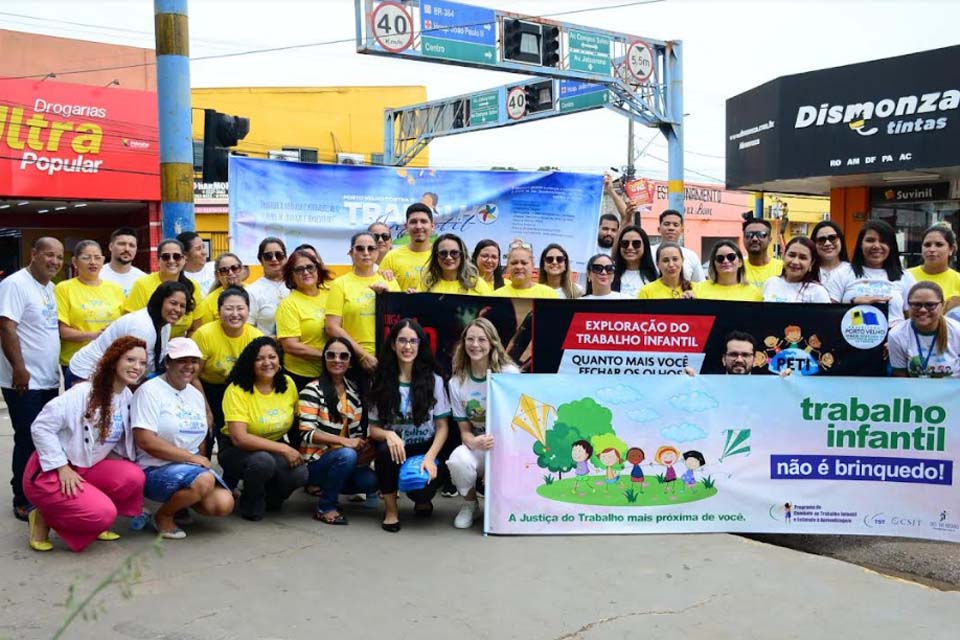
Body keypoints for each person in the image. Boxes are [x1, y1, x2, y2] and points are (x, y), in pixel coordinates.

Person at [24, 336, 147, 552]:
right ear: (114, 360)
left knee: (133, 476)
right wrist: (61, 467)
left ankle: (88, 507)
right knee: (103, 514)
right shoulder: (83, 393)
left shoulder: (126, 395)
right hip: (50, 472)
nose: (137, 367)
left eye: (142, 363)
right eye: (130, 360)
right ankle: (43, 515)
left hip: (86, 466)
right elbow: (41, 427)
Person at [132, 338, 234, 538]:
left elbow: (201, 439)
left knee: (223, 504)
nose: (189, 366)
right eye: (182, 360)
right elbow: (145, 440)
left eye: (194, 360)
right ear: (167, 363)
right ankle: (163, 516)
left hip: (189, 467)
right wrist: (191, 458)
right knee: (203, 480)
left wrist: (198, 459)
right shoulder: (149, 391)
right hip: (154, 467)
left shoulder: (195, 394)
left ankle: (181, 503)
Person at [0, 237, 64, 521]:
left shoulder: (49, 288)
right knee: (27, 437)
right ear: (34, 254)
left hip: (48, 379)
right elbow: (6, 327)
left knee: (44, 438)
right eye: (49, 255)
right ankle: (22, 498)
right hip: (24, 380)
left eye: (60, 257)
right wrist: (19, 367)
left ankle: (38, 490)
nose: (55, 261)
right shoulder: (15, 284)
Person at [368, 319, 450, 532]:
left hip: (425, 447)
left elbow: (442, 426)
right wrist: (388, 435)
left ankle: (422, 498)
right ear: (393, 345)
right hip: (396, 450)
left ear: (420, 345)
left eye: (413, 341)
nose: (407, 346)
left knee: (424, 484)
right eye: (402, 340)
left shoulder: (435, 380)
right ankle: (391, 510)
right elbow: (373, 428)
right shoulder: (380, 379)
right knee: (385, 451)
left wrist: (430, 458)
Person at [220, 337, 307, 520]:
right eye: (259, 359)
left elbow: (296, 424)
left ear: (279, 359)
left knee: (300, 472)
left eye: (272, 357)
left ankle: (272, 496)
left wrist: (299, 452)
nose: (267, 363)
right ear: (250, 363)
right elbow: (239, 438)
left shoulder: (288, 384)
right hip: (237, 450)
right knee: (263, 462)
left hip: (273, 445)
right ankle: (250, 501)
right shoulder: (237, 389)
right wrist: (284, 448)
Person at [446, 318, 519, 529]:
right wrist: (474, 443)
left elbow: (517, 423)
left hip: (508, 445)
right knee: (458, 459)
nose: (475, 345)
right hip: (480, 443)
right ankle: (471, 504)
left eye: (481, 339)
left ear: (492, 342)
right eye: (470, 339)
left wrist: (493, 462)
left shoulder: (509, 374)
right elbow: (465, 431)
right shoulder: (457, 382)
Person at [298, 338, 377, 525]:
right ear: (324, 359)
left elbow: (355, 434)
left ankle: (330, 491)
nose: (337, 360)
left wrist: (365, 448)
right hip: (315, 463)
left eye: (343, 356)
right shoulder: (312, 389)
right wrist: (345, 443)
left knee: (371, 480)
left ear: (350, 362)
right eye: (331, 355)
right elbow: (307, 433)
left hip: (343, 458)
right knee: (347, 454)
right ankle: (325, 507)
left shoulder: (354, 392)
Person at [191, 286, 263, 457]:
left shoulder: (256, 337)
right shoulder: (204, 334)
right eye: (229, 309)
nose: (235, 314)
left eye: (240, 308)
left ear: (248, 310)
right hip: (206, 387)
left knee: (234, 433)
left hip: (239, 391)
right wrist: (206, 409)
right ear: (218, 311)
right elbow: (192, 375)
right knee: (206, 430)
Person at [70, 281, 190, 382]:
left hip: (111, 376)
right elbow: (130, 370)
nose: (177, 309)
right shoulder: (142, 326)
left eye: (182, 306)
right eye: (173, 303)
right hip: (86, 373)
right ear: (160, 301)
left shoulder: (164, 324)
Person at [325, 232, 401, 375]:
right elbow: (331, 327)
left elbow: (400, 321)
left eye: (371, 248)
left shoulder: (390, 281)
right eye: (360, 249)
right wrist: (362, 355)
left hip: (389, 357)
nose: (366, 253)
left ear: (377, 252)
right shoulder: (340, 284)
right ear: (351, 253)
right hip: (354, 358)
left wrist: (386, 296)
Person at [55, 240, 124, 389]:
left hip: (111, 361)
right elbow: (63, 331)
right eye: (86, 258)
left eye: (97, 258)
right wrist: (95, 335)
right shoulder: (64, 288)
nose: (93, 262)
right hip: (77, 363)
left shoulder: (115, 289)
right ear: (75, 261)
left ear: (103, 261)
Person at [825, 220, 916, 325]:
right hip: (853, 336)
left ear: (891, 246)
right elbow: (827, 314)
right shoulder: (842, 273)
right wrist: (853, 303)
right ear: (860, 244)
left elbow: (914, 317)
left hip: (894, 338)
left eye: (883, 241)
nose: (876, 246)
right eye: (870, 240)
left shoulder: (905, 276)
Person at [275, 248, 334, 390]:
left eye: (310, 267)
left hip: (333, 372)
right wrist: (329, 356)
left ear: (318, 269)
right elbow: (290, 346)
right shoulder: (288, 304)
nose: (306, 272)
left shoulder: (331, 295)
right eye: (299, 269)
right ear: (291, 276)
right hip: (302, 377)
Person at [125, 239, 202, 338]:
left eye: (176, 257)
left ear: (184, 260)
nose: (171, 260)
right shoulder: (142, 284)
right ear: (158, 260)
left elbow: (195, 328)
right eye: (166, 257)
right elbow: (131, 324)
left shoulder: (193, 286)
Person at [889, 282, 960, 378]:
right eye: (916, 304)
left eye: (930, 305)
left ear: (942, 305)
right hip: (914, 391)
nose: (923, 310)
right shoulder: (896, 334)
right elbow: (901, 377)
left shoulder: (957, 331)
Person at [379, 203, 435, 291]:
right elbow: (381, 294)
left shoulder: (442, 256)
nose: (418, 226)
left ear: (432, 226)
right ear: (406, 227)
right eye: (413, 222)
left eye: (423, 221)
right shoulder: (391, 257)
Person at [763, 237, 831, 303]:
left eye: (802, 258)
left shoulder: (818, 292)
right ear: (783, 256)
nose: (795, 262)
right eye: (791, 255)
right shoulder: (771, 282)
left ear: (811, 263)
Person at [246, 237, 290, 335]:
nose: (274, 259)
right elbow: (247, 328)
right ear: (261, 260)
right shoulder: (252, 291)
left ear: (286, 258)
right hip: (266, 347)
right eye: (268, 256)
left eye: (279, 255)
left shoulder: (296, 285)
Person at [421, 233, 490, 295]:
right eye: (443, 253)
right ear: (436, 256)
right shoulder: (427, 284)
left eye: (454, 253)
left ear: (462, 255)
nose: (448, 257)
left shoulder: (477, 284)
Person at [693, 241, 763, 301]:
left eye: (731, 257)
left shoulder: (755, 293)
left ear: (740, 262)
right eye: (720, 258)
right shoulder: (698, 290)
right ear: (714, 264)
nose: (725, 261)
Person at [650, 210, 705, 282]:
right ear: (659, 229)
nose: (671, 228)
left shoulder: (691, 256)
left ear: (682, 230)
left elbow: (700, 285)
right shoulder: (649, 252)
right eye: (666, 224)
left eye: (675, 225)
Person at [908, 225, 960, 301]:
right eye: (927, 245)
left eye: (939, 245)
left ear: (951, 249)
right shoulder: (906, 276)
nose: (932, 249)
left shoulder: (958, 280)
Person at [193, 252, 245, 327]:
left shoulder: (253, 292)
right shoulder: (208, 303)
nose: (230, 273)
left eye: (235, 268)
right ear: (217, 275)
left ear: (241, 269)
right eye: (224, 270)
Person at [492, 242, 559, 298]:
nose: (519, 266)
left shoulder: (548, 294)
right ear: (508, 266)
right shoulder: (497, 296)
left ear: (532, 266)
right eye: (514, 263)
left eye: (524, 263)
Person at [611, 225, 658, 297]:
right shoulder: (609, 275)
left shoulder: (655, 276)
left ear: (645, 246)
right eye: (625, 243)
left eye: (636, 244)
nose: (630, 247)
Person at [99, 227, 146, 296]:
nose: (127, 249)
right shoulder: (98, 275)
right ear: (111, 246)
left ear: (136, 249)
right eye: (122, 244)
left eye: (132, 245)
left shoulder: (143, 279)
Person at [742, 217, 783, 286]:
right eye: (749, 235)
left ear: (770, 239)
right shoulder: (736, 268)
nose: (754, 239)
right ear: (743, 239)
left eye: (760, 235)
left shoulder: (782, 268)